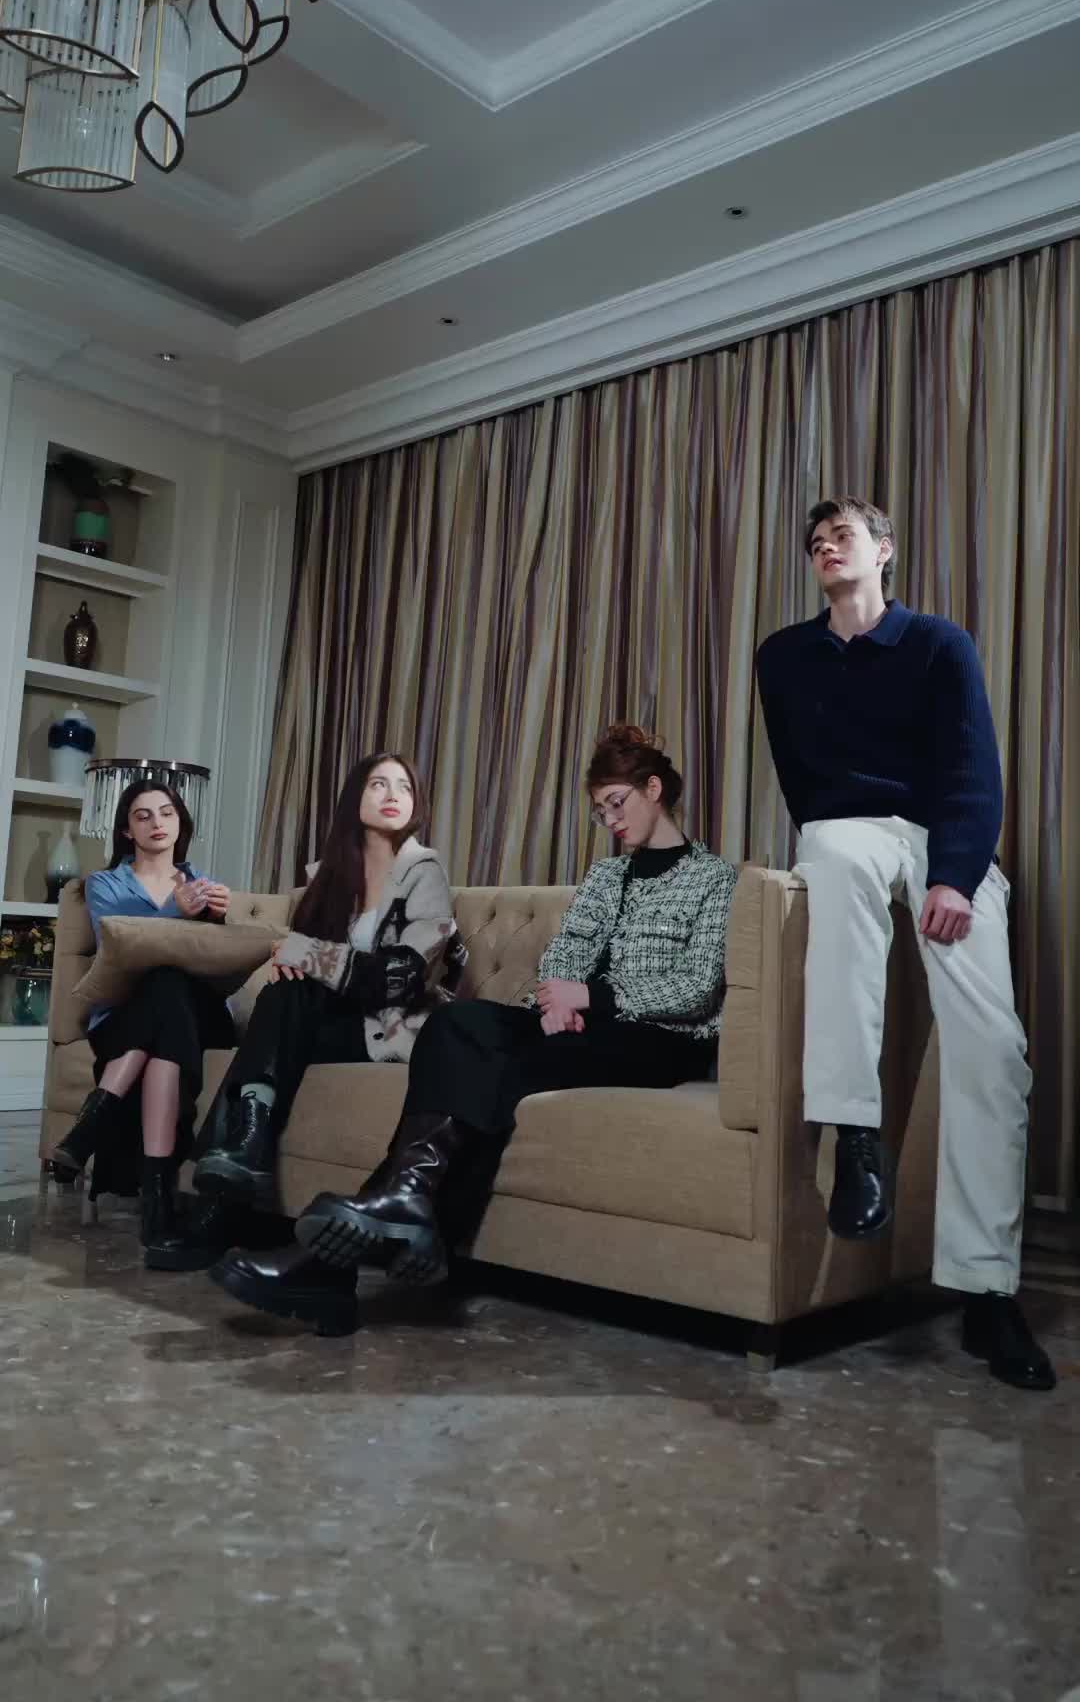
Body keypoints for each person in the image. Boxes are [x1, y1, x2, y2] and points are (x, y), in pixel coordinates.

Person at [216, 725, 738, 1332]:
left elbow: (697, 987)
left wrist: (593, 996)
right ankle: (404, 1206)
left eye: (617, 803)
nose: (610, 820)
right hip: (574, 1025)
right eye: (600, 811)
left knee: (488, 1074)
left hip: (656, 1040)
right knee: (457, 1024)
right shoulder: (606, 876)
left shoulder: (714, 878)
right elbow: (564, 955)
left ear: (653, 789)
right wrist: (556, 1001)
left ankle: (333, 1267)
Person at [755, 495, 1054, 1391]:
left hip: (938, 837)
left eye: (842, 534)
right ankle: (855, 1136)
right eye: (815, 541)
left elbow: (973, 770)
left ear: (884, 549)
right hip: (844, 826)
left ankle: (987, 1291)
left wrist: (954, 875)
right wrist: (832, 828)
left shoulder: (938, 645)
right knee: (836, 859)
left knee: (994, 1052)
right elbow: (800, 777)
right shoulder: (783, 656)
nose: (826, 547)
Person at [201, 753, 461, 1334]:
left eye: (404, 786)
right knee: (284, 997)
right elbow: (310, 967)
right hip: (335, 1022)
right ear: (354, 798)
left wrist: (304, 955)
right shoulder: (329, 878)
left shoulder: (424, 872)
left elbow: (400, 978)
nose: (392, 794)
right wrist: (296, 961)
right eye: (378, 784)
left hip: (390, 1027)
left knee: (288, 1001)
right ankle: (242, 1155)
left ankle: (228, 1186)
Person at [51, 779, 233, 1271]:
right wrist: (178, 910)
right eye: (143, 815)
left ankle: (94, 1119)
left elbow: (214, 961)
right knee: (162, 986)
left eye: (166, 813)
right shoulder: (105, 884)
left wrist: (219, 919)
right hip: (125, 1014)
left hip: (198, 1015)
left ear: (180, 823)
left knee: (171, 985)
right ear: (127, 830)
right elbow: (126, 946)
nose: (157, 823)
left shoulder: (202, 881)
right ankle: (157, 1201)